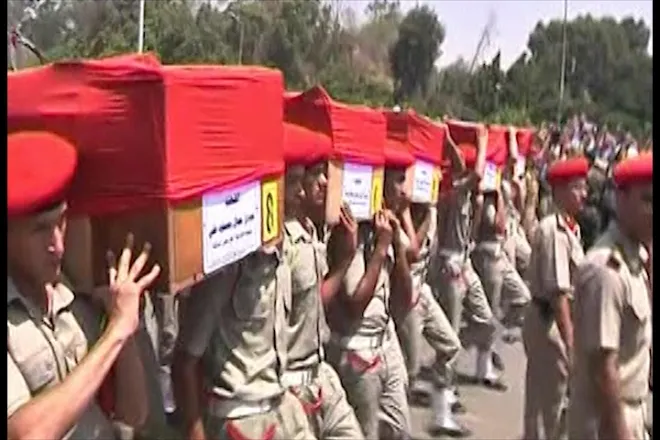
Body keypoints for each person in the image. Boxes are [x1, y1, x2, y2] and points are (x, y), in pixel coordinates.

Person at [7, 131, 160, 440]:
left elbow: (133, 412)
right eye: (40, 230)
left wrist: (123, 326)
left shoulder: (74, 302)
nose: (58, 245)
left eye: (61, 222)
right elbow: (27, 434)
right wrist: (116, 332)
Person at [172, 211, 315, 437]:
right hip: (241, 417)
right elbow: (185, 360)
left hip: (281, 403)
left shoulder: (284, 259)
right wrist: (195, 431)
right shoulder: (224, 269)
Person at [325, 166, 414, 440]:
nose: (404, 191)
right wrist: (380, 250)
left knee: (399, 429)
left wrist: (396, 246)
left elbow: (404, 299)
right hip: (357, 351)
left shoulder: (386, 228)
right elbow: (355, 304)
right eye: (398, 181)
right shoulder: (349, 233)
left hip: (385, 343)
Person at [568, 154, 653, 440]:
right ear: (621, 199)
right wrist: (620, 433)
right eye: (648, 200)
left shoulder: (635, 259)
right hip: (609, 418)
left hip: (630, 409)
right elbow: (604, 369)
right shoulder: (606, 270)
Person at [281, 160, 364, 440]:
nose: (324, 183)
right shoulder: (285, 242)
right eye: (314, 174)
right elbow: (314, 301)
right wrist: (344, 263)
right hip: (293, 381)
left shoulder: (312, 228)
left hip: (319, 371)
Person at [522, 156, 589, 440]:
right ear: (559, 191)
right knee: (552, 404)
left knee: (543, 400)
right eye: (577, 188)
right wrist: (572, 344)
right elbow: (558, 294)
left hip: (553, 321)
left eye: (584, 187)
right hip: (549, 323)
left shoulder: (571, 227)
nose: (584, 194)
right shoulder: (554, 231)